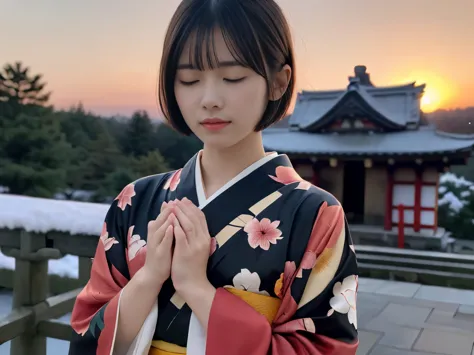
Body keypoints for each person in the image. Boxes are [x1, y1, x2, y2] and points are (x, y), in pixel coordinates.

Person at [68, 0, 359, 354]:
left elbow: (324, 347)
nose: (209, 99)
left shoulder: (316, 215)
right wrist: (148, 279)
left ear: (278, 83)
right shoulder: (135, 200)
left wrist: (196, 288)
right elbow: (85, 337)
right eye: (189, 79)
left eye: (233, 77)